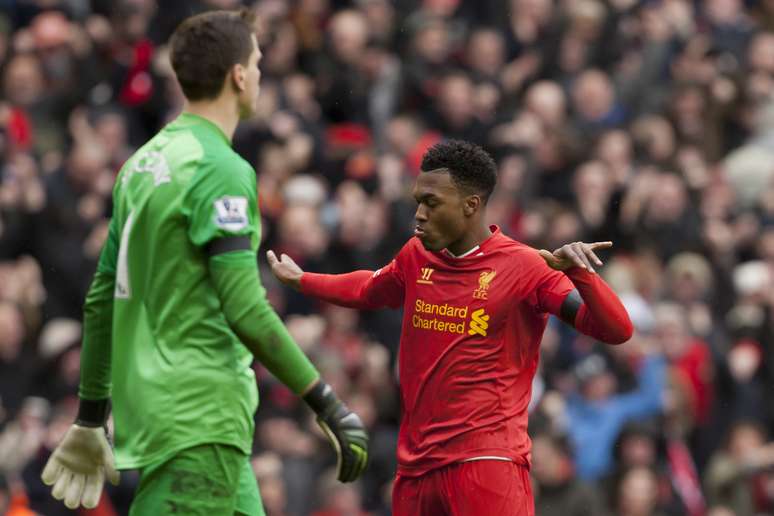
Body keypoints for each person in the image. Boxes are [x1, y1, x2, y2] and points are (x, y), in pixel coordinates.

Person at [40, 9, 368, 515]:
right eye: (256, 63)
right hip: (199, 416)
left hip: (182, 420)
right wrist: (326, 400)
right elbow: (244, 306)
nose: (259, 74)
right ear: (239, 75)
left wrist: (89, 414)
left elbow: (103, 296)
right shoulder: (220, 169)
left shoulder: (142, 164)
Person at [268, 139, 634, 515]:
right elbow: (367, 288)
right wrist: (304, 280)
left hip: (486, 463)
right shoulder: (416, 255)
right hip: (416, 468)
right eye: (418, 202)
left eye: (432, 203)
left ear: (471, 205)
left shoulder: (526, 267)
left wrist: (581, 276)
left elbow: (615, 330)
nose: (420, 215)